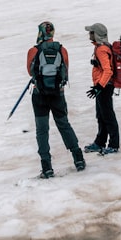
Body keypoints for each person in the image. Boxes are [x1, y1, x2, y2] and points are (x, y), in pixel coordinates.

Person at [27, 21, 86, 178]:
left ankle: (46, 167)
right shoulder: (62, 50)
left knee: (42, 130)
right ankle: (78, 158)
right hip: (58, 95)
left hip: (39, 95)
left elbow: (30, 72)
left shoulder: (34, 51)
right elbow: (65, 71)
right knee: (64, 125)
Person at [83, 22, 120, 155]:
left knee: (108, 115)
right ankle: (100, 142)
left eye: (91, 32)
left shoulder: (101, 49)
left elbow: (108, 71)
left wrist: (98, 86)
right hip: (103, 86)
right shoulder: (103, 47)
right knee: (101, 115)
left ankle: (113, 145)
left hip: (104, 87)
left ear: (96, 34)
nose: (89, 34)